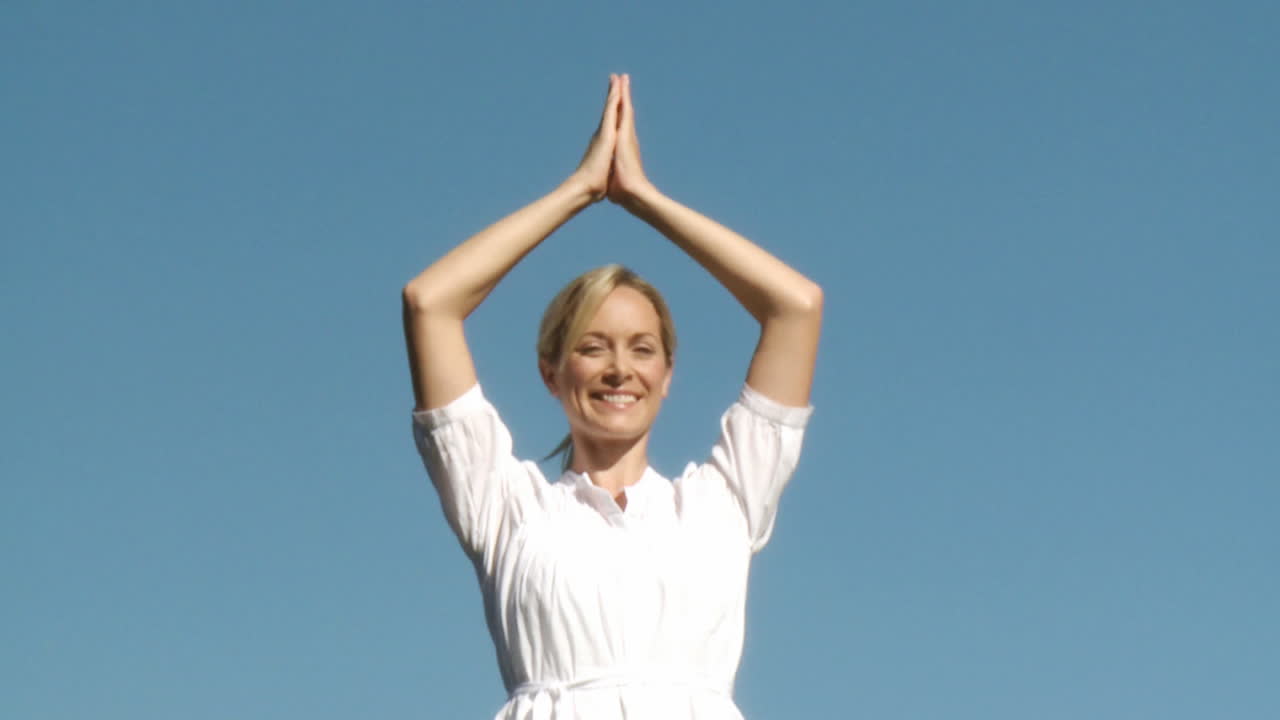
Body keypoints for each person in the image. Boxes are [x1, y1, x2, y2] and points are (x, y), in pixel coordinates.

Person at [402, 73, 823, 720]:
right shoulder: (506, 507)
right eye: (593, 347)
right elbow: (430, 303)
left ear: (668, 373)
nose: (619, 370)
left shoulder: (722, 501)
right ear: (551, 373)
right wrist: (580, 190)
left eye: (642, 349)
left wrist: (643, 198)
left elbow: (796, 307)